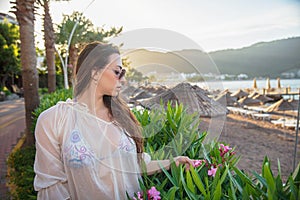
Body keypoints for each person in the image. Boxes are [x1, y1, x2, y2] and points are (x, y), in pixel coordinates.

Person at [34, 42, 193, 200]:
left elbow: (136, 165)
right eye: (118, 71)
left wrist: (173, 162)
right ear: (95, 73)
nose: (123, 80)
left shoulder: (121, 116)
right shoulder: (54, 120)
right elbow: (51, 186)